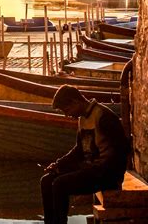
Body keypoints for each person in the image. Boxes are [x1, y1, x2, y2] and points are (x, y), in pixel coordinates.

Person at [41, 85, 129, 224]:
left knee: (59, 184)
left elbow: (120, 152)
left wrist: (94, 170)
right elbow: (79, 150)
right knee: (47, 180)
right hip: (90, 170)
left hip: (107, 174)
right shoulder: (83, 119)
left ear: (75, 102)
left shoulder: (103, 116)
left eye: (67, 110)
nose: (67, 115)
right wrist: (59, 164)